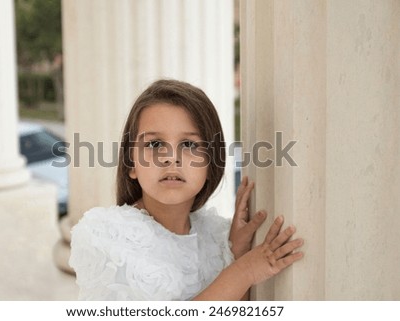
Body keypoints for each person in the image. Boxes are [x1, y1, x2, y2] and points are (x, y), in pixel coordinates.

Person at [69, 79, 303, 300]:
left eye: (189, 144)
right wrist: (245, 270)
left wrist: (238, 252)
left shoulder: (218, 238)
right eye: (154, 144)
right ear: (131, 163)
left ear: (211, 162)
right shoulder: (103, 235)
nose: (171, 158)